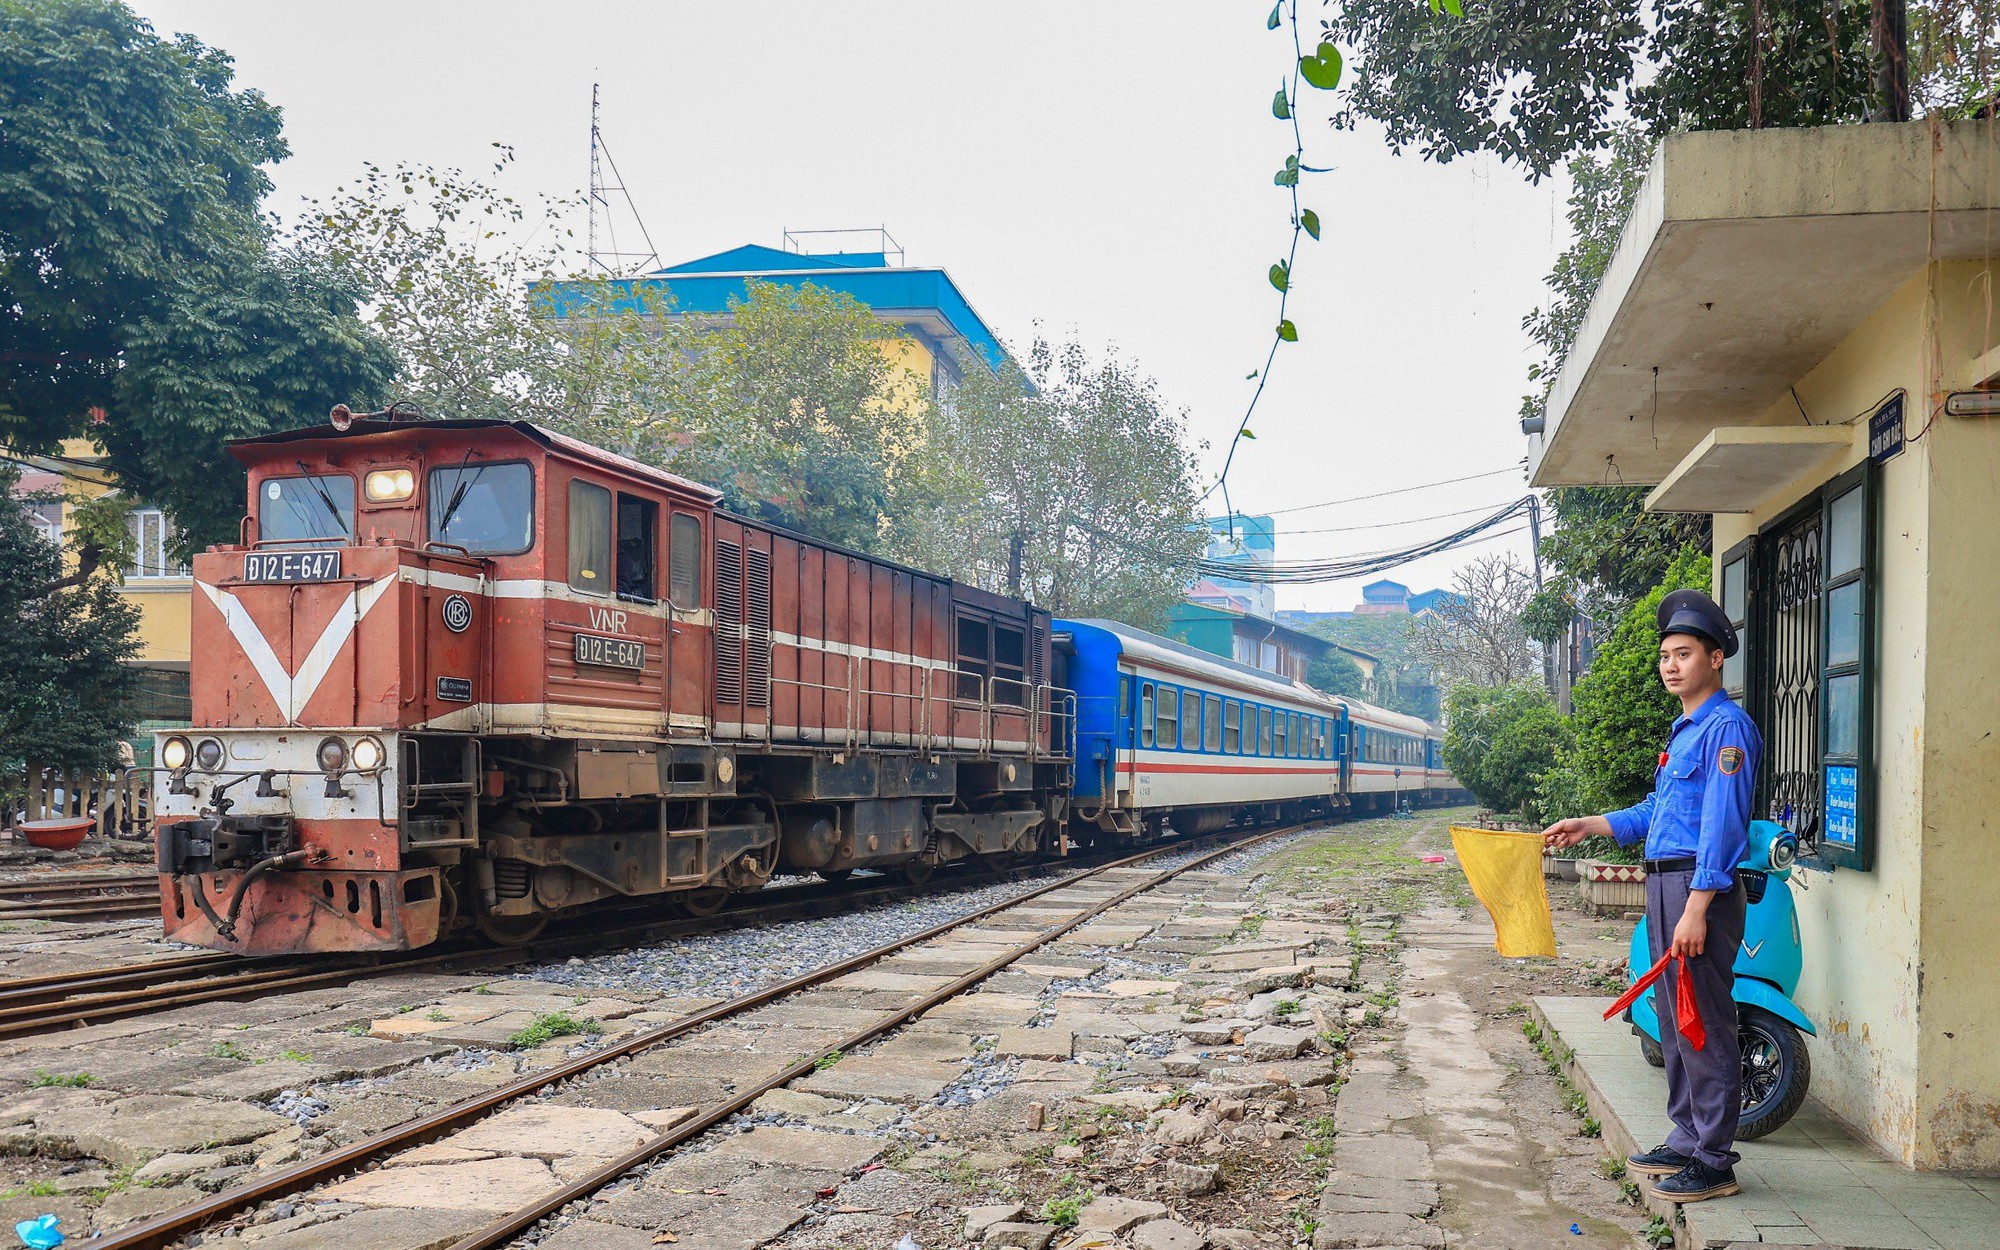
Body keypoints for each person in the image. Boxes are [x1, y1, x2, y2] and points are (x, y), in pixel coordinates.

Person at [1542, 588, 1761, 1203]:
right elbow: (1655, 811)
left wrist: (1697, 907)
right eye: (1665, 655)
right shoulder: (1686, 730)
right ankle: (1687, 1138)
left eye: (1684, 654)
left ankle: (1714, 1162)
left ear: (1715, 659)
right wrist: (1591, 825)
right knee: (1673, 1016)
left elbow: (1722, 828)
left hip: (1698, 889)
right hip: (1666, 883)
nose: (1671, 665)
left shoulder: (1726, 729)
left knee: (1702, 1020)